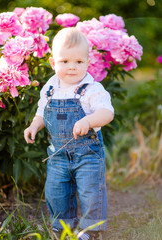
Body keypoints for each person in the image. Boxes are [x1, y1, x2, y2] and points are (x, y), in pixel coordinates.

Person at [24, 27, 114, 240]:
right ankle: (62, 228)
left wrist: (88, 120)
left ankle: (92, 230)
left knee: (91, 192)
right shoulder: (50, 88)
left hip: (88, 154)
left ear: (87, 63)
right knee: (56, 192)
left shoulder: (91, 88)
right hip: (58, 155)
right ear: (53, 63)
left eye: (78, 62)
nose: (72, 67)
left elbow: (107, 112)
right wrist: (34, 126)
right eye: (65, 62)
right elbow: (41, 113)